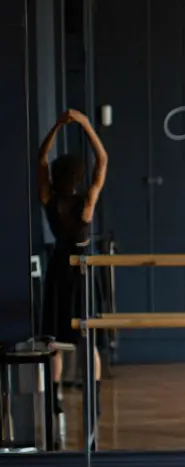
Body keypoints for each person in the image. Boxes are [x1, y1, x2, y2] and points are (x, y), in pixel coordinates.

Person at [37, 108, 107, 403]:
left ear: (56, 175)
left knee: (53, 340)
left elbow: (41, 159)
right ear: (78, 176)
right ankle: (94, 398)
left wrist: (55, 127)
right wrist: (86, 125)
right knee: (87, 341)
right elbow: (102, 160)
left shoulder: (50, 200)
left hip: (57, 270)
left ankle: (53, 401)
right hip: (81, 270)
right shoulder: (86, 203)